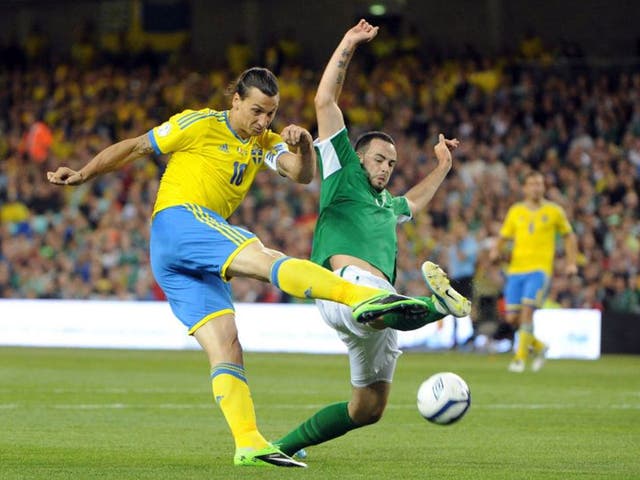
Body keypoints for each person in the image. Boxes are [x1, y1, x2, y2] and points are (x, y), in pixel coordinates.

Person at [46, 67, 432, 468]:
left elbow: (300, 175)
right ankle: (363, 297)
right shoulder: (198, 123)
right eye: (257, 111)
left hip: (181, 261)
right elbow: (137, 147)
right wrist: (83, 174)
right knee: (269, 259)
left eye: (271, 113)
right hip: (181, 221)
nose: (264, 121)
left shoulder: (262, 142)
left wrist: (302, 147)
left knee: (227, 345)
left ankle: (248, 442)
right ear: (235, 101)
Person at [273, 20, 471, 459]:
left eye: (392, 163)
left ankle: (281, 447)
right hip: (342, 286)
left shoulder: (387, 205)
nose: (386, 167)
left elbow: (413, 203)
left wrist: (442, 166)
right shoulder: (343, 174)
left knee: (368, 408)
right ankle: (437, 305)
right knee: (377, 305)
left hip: (373, 303)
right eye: (379, 159)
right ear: (359, 158)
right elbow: (325, 101)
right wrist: (348, 42)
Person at [489, 170, 577, 372]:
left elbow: (569, 236)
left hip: (539, 270)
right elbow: (503, 236)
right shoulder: (516, 211)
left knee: (528, 311)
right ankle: (540, 347)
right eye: (532, 184)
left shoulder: (554, 211)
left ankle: (519, 358)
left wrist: (571, 263)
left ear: (543, 187)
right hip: (515, 271)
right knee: (512, 317)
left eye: (539, 184)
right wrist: (495, 251)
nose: (536, 187)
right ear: (524, 188)